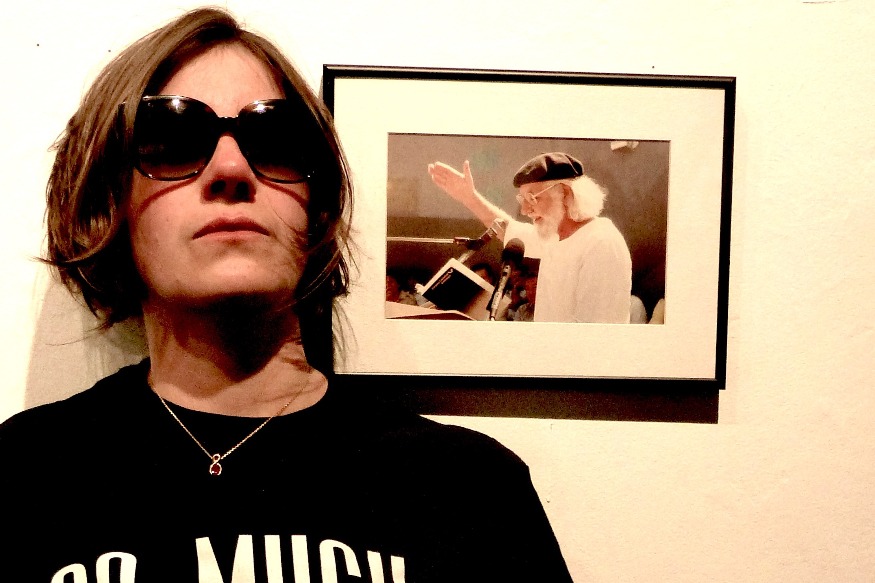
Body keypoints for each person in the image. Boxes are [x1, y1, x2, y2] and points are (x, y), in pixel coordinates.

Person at [0, 8, 572, 582]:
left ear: (316, 205)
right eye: (171, 139)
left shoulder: (467, 489)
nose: (231, 167)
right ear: (108, 202)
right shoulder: (22, 477)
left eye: (274, 139)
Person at [428, 152, 633, 323]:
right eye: (522, 200)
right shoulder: (554, 237)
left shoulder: (601, 242)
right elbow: (506, 229)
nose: (525, 210)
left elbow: (594, 336)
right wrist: (469, 197)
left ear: (565, 193)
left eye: (533, 198)